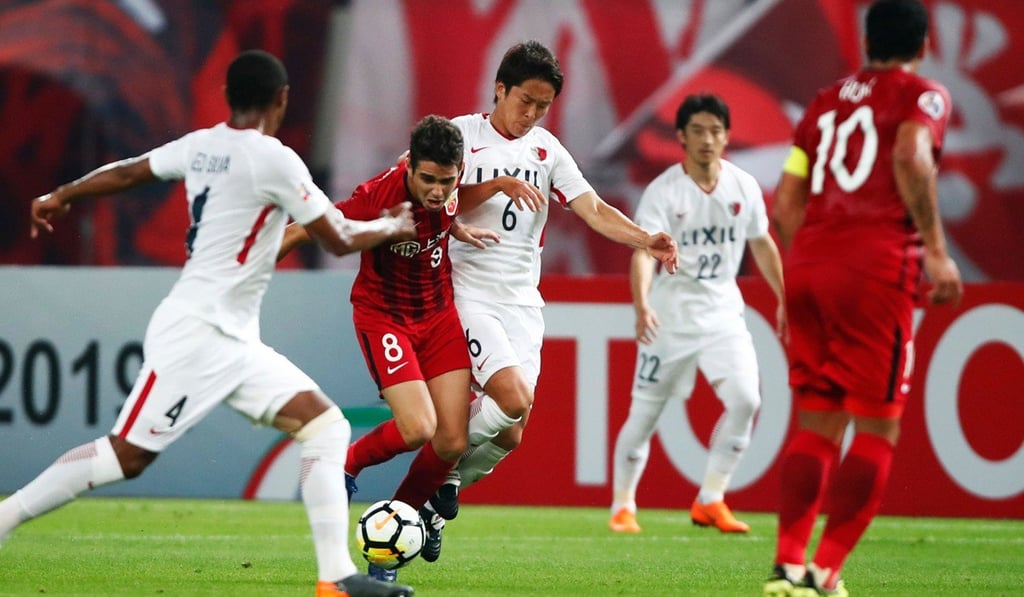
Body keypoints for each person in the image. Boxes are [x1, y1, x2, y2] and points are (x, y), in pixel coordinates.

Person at [3, 50, 417, 597]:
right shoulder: (273, 158)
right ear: (281, 99)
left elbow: (128, 172)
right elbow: (337, 235)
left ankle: (335, 579)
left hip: (231, 339)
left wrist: (63, 194)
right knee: (125, 455)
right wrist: (389, 226)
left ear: (227, 96)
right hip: (198, 333)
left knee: (326, 426)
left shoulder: (202, 146)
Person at [419, 40, 680, 555]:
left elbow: (594, 209)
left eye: (542, 106)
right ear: (500, 88)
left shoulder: (548, 150)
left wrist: (645, 238)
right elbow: (426, 195)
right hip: (467, 291)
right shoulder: (459, 137)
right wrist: (496, 184)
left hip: (523, 302)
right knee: (511, 399)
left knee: (509, 434)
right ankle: (424, 481)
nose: (532, 115)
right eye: (525, 102)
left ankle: (437, 493)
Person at [765, 1, 962, 595]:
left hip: (809, 265)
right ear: (923, 45)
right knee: (877, 429)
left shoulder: (822, 104)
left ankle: (787, 566)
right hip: (875, 267)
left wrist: (811, 262)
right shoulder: (924, 96)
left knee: (817, 422)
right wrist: (934, 248)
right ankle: (825, 570)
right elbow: (910, 153)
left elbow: (784, 204)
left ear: (865, 40)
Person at [278, 114, 496, 583]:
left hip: (438, 317)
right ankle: (347, 465)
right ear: (409, 168)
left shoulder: (453, 178)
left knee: (453, 442)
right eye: (428, 181)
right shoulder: (377, 196)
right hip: (386, 318)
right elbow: (309, 228)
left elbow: (446, 211)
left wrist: (458, 228)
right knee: (418, 428)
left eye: (447, 181)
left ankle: (389, 550)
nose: (438, 191)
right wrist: (250, 270)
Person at [608, 94, 786, 535]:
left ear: (726, 136)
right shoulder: (664, 191)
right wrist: (643, 303)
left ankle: (711, 498)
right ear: (682, 137)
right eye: (699, 130)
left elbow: (762, 242)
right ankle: (623, 506)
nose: (708, 139)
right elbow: (644, 253)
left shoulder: (743, 186)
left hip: (724, 314)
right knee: (644, 414)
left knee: (747, 400)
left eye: (716, 130)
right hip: (671, 317)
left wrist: (784, 297)